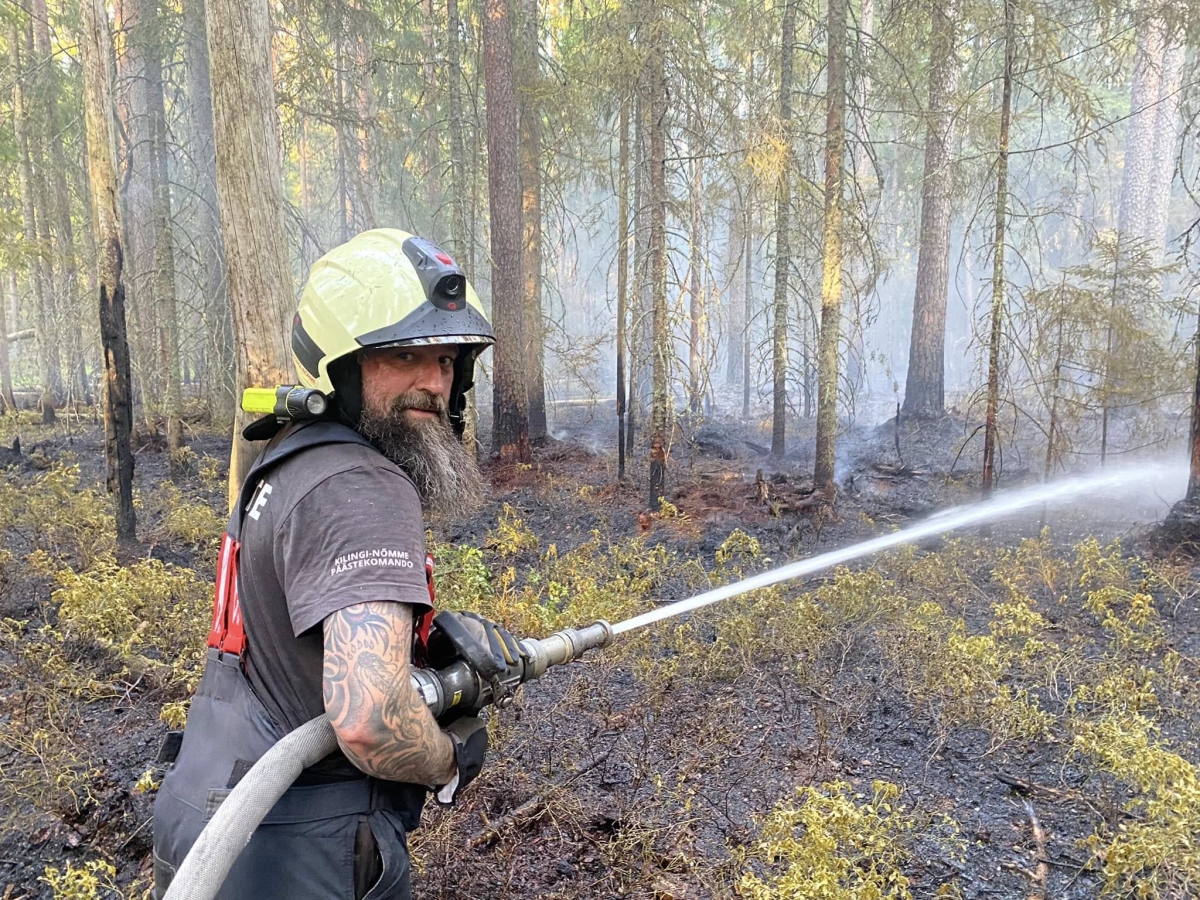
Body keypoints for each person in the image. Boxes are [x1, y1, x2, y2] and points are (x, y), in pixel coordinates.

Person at [152, 229, 518, 899]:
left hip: (211, 823)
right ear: (341, 365)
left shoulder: (290, 458)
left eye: (444, 359)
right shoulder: (362, 485)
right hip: (299, 855)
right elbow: (371, 721)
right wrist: (449, 760)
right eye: (403, 355)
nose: (433, 383)